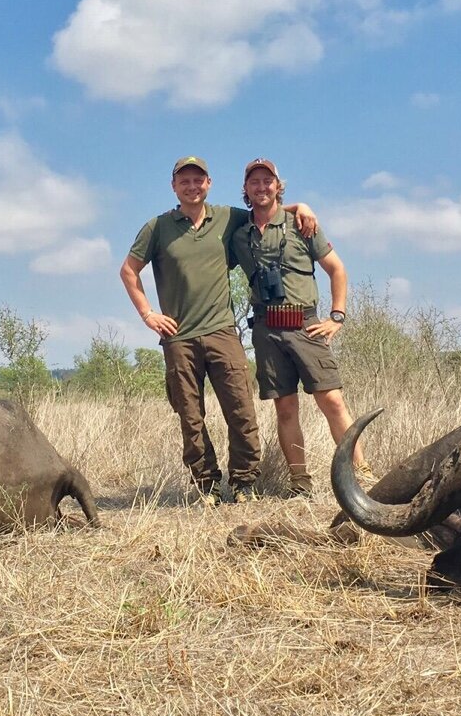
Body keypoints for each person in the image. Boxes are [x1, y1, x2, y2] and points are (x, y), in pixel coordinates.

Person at [121, 156, 317, 504]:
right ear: (174, 186)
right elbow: (128, 271)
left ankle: (244, 482)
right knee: (191, 417)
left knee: (241, 409)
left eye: (198, 180)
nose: (192, 186)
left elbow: (266, 208)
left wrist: (301, 206)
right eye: (185, 181)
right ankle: (207, 485)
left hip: (222, 331)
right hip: (178, 337)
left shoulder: (227, 218)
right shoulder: (158, 227)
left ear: (209, 183)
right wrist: (148, 314)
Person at [228, 158, 373, 499]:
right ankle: (300, 485)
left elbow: (337, 270)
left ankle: (362, 475)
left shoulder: (302, 223)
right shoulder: (237, 235)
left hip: (306, 324)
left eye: (268, 181)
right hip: (266, 329)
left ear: (278, 186)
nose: (261, 187)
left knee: (332, 401)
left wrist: (337, 316)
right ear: (246, 190)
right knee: (285, 408)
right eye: (254, 182)